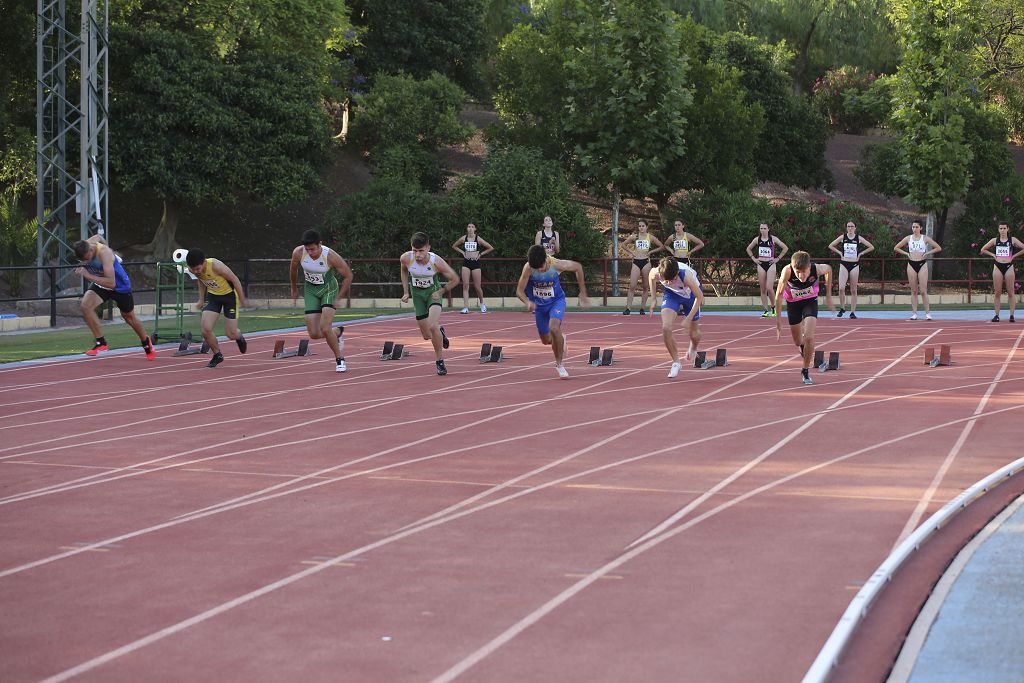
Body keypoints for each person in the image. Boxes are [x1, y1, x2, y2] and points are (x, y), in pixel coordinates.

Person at [72, 235, 155, 360]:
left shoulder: (104, 254)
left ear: (90, 251)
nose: (86, 262)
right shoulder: (87, 244)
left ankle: (145, 341)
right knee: (85, 306)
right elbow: (98, 236)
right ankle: (101, 342)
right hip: (101, 285)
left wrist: (88, 275)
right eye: (83, 260)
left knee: (129, 318)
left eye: (87, 259)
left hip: (119, 286)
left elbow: (111, 283)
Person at [515, 244, 591, 379]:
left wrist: (583, 292)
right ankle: (561, 339)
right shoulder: (528, 268)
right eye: (536, 268)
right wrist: (527, 302)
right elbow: (519, 291)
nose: (539, 270)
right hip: (539, 306)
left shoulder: (557, 265)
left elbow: (578, 267)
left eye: (541, 267)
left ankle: (559, 365)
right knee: (546, 340)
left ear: (546, 260)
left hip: (557, 301)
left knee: (554, 327)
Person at [289, 230, 354, 372]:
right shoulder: (298, 253)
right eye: (307, 249)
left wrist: (339, 297)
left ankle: (340, 360)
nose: (310, 252)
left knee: (325, 327)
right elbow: (293, 270)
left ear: (320, 244)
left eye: (313, 249)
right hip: (310, 290)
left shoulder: (330, 256)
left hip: (328, 290)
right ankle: (336, 332)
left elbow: (348, 276)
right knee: (313, 334)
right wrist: (294, 288)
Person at [400, 232, 459, 376]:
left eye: (421, 251)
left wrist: (441, 291)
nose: (418, 254)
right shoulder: (406, 258)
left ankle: (439, 361)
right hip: (417, 296)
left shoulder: (436, 261)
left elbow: (455, 279)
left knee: (432, 326)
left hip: (433, 294)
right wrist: (406, 291)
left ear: (428, 248)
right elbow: (403, 271)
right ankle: (441, 332)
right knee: (427, 335)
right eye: (415, 251)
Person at [774, 251, 834, 386]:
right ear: (793, 268)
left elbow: (829, 270)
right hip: (793, 304)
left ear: (809, 267)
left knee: (809, 337)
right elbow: (778, 296)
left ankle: (805, 370)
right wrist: (778, 322)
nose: (801, 275)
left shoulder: (816, 269)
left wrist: (828, 295)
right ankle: (802, 347)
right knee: (798, 341)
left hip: (810, 302)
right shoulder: (787, 271)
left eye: (804, 272)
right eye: (798, 271)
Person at [185, 249, 248, 368]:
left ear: (204, 262)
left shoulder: (216, 265)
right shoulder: (193, 269)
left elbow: (235, 279)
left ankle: (239, 337)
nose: (195, 271)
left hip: (229, 297)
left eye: (198, 269)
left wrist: (242, 298)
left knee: (231, 334)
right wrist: (201, 299)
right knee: (205, 329)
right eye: (193, 269)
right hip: (213, 297)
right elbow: (201, 280)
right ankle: (217, 354)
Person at [648, 257, 704, 379]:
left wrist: (688, 318)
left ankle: (693, 348)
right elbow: (650, 277)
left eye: (672, 280)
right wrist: (653, 299)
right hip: (672, 295)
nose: (668, 283)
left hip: (691, 296)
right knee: (666, 327)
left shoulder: (685, 275)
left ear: (677, 273)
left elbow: (699, 297)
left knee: (694, 334)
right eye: (666, 280)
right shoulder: (658, 272)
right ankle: (676, 362)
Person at [893, 219, 941, 321]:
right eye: (913, 227)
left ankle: (928, 313)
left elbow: (938, 248)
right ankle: (914, 313)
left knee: (923, 291)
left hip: (922, 264)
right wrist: (906, 254)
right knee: (914, 291)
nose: (914, 229)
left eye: (916, 227)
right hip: (911, 264)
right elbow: (896, 247)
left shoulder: (925, 238)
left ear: (921, 228)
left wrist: (927, 253)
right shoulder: (908, 238)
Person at [827, 220, 875, 319]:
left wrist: (861, 254)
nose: (850, 228)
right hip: (844, 263)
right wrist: (840, 253)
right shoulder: (843, 237)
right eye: (848, 226)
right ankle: (842, 308)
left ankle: (852, 312)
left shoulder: (858, 238)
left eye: (852, 226)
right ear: (846, 228)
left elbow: (871, 247)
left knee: (853, 290)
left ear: (855, 228)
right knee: (841, 288)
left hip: (854, 264)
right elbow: (831, 245)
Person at [979, 220, 1023, 322]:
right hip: (998, 266)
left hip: (1008, 266)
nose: (1002, 230)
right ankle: (997, 315)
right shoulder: (995, 240)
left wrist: (1014, 256)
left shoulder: (1013, 240)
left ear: (1008, 229)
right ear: (998, 230)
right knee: (997, 292)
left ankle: (1011, 315)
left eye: (1004, 228)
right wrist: (993, 255)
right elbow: (983, 249)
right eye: (1001, 228)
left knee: (1011, 292)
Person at [621, 219, 665, 315]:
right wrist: (631, 252)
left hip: (646, 262)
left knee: (645, 286)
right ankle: (628, 308)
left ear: (646, 227)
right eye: (639, 226)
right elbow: (623, 244)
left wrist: (651, 252)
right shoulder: (635, 237)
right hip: (636, 261)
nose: (641, 228)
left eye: (643, 226)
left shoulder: (650, 237)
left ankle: (642, 308)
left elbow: (661, 246)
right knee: (632, 285)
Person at [746, 223, 788, 317]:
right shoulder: (757, 239)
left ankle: (773, 307)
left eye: (765, 228)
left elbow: (785, 248)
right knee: (763, 289)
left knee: (769, 287)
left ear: (768, 229)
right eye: (761, 228)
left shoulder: (773, 239)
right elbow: (748, 249)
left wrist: (777, 258)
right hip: (761, 264)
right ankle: (765, 310)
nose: (763, 230)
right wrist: (754, 259)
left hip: (770, 264)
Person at [452, 222, 494, 314]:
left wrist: (481, 254)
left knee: (477, 287)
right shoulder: (464, 238)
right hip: (466, 262)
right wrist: (462, 252)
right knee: (465, 285)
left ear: (475, 229)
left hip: (475, 263)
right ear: (467, 229)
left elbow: (490, 247)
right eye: (469, 227)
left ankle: (482, 304)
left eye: (472, 227)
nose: (470, 228)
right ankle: (466, 307)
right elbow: (454, 246)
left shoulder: (478, 239)